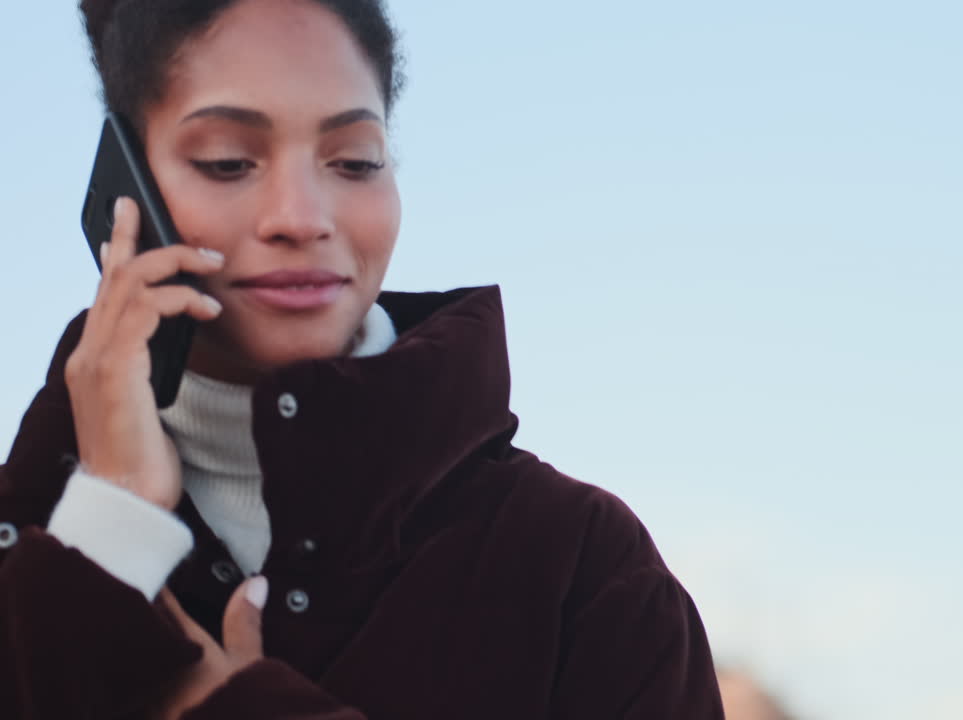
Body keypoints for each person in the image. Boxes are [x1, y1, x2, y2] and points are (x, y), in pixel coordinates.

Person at [0, 0, 724, 717]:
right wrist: (108, 522)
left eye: (354, 161)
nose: (302, 217)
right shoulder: (21, 533)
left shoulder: (582, 567)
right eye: (227, 162)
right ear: (125, 186)